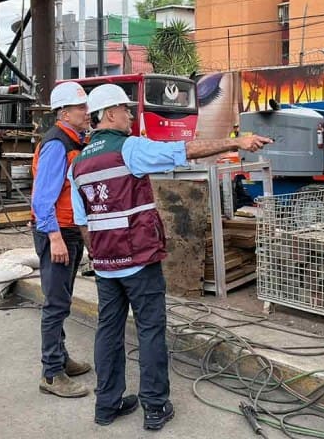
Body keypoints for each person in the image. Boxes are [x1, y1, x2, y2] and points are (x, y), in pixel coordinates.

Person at [68, 84, 272, 430]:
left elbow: (82, 222)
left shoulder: (79, 164)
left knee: (108, 330)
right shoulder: (129, 149)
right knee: (149, 331)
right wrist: (236, 142)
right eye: (127, 110)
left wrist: (100, 256)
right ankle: (155, 407)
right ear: (111, 114)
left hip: (105, 264)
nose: (132, 116)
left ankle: (107, 405)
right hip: (138, 259)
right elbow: (185, 150)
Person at [30, 81, 92, 398]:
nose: (87, 112)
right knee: (55, 303)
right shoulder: (57, 144)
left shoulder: (73, 140)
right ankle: (52, 373)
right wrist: (54, 236)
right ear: (64, 112)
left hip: (67, 230)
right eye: (81, 108)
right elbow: (42, 199)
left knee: (62, 299)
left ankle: (61, 359)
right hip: (56, 232)